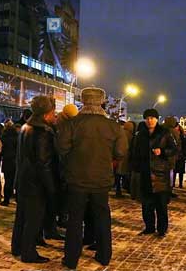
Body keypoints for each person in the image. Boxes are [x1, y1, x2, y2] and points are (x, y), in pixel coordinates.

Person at [58, 87, 128, 269]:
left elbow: (62, 149)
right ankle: (104, 255)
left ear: (83, 101)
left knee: (75, 220)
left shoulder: (72, 124)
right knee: (103, 217)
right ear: (102, 102)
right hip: (101, 180)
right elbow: (121, 152)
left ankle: (71, 258)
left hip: (76, 179)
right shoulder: (113, 126)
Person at [11, 95, 57, 263]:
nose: (54, 116)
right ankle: (28, 253)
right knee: (33, 220)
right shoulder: (42, 132)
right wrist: (51, 187)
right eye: (53, 112)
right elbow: (43, 163)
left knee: (21, 217)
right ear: (46, 114)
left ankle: (17, 247)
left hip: (23, 180)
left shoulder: (25, 127)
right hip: (35, 184)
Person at [132, 109, 177, 237]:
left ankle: (162, 229)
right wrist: (136, 167)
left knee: (161, 205)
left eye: (152, 118)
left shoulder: (165, 133)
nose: (149, 120)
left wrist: (162, 152)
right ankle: (149, 227)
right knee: (146, 205)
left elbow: (174, 149)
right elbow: (135, 152)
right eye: (147, 118)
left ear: (157, 119)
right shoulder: (140, 134)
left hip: (160, 174)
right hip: (145, 173)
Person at [0, 119, 18, 206]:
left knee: (8, 180)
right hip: (15, 161)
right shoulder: (17, 136)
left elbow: (1, 149)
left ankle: (6, 200)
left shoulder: (4, 136)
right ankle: (16, 197)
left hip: (7, 160)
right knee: (15, 180)